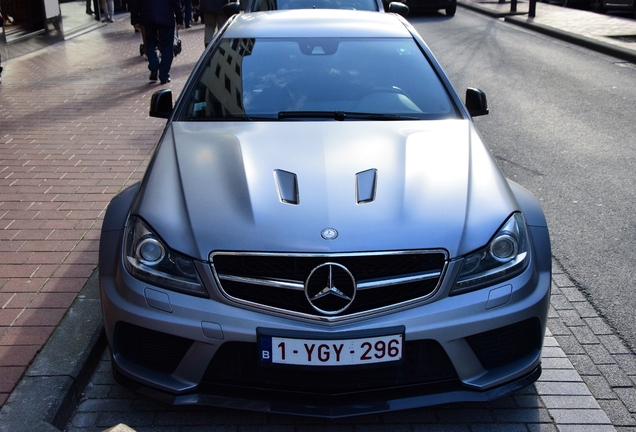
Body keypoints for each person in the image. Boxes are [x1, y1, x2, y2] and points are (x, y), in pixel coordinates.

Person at [132, 0, 183, 84]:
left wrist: (135, 19)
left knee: (150, 42)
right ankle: (164, 74)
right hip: (165, 15)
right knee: (167, 46)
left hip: (148, 16)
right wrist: (179, 18)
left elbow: (135, 2)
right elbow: (176, 1)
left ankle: (154, 68)